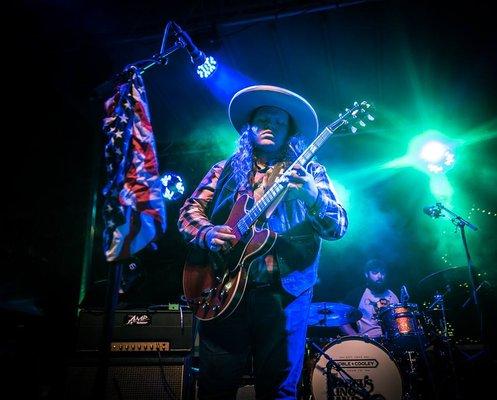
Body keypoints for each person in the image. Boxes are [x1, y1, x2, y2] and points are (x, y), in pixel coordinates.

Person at [178, 85, 348, 399]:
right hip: (222, 291)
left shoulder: (310, 171)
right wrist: (207, 233)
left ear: (290, 132)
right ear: (249, 129)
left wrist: (312, 197)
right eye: (263, 120)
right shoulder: (224, 169)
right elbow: (189, 211)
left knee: (279, 389)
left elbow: (338, 227)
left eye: (279, 122)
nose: (270, 126)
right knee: (215, 386)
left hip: (285, 293)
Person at [339, 259, 399, 339]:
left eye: (382, 272)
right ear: (367, 274)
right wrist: (355, 336)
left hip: (392, 341)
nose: (380, 276)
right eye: (375, 272)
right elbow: (340, 317)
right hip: (368, 343)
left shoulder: (393, 295)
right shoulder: (357, 294)